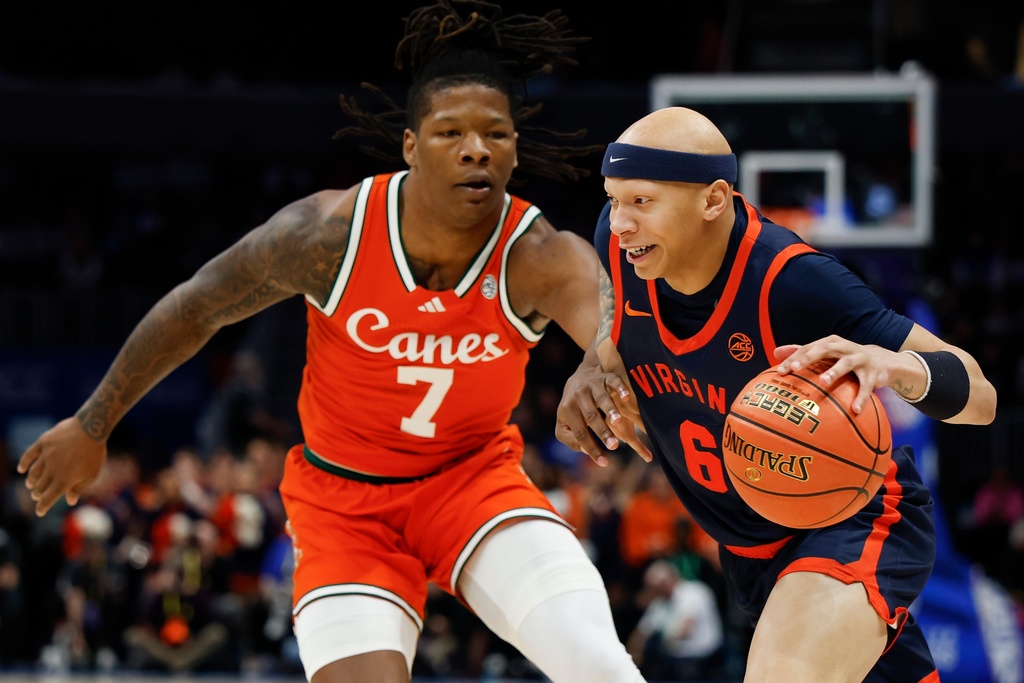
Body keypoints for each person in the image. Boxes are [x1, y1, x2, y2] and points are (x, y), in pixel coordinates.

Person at [17, 3, 648, 683]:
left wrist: (600, 356)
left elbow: (612, 315)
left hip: (473, 483)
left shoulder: (536, 254)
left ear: (514, 151)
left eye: (496, 133)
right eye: (451, 132)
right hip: (344, 505)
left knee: (596, 662)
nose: (476, 148)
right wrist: (93, 422)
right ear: (410, 146)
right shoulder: (327, 235)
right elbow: (197, 306)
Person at [555, 106, 998, 682]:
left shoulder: (794, 283)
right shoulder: (620, 249)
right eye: (614, 199)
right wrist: (592, 362)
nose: (620, 222)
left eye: (642, 202)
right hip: (751, 552)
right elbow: (613, 324)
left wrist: (893, 365)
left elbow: (981, 396)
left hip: (851, 519)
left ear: (714, 200)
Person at [626, 559, 724, 681]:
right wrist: (631, 656)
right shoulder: (659, 601)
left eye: (657, 586)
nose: (655, 591)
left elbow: (683, 630)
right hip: (672, 662)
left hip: (702, 663)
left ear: (669, 579)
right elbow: (641, 633)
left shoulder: (694, 592)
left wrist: (657, 640)